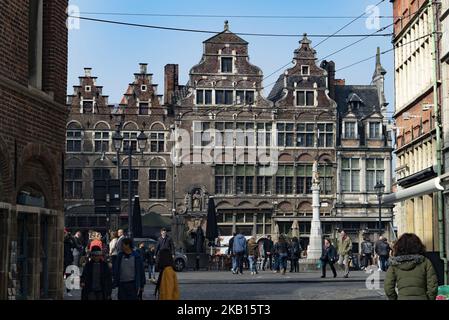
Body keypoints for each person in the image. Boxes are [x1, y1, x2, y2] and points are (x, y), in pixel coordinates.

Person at [384, 233, 438, 300]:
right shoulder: (425, 262)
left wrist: (395, 298)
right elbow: (432, 286)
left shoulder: (394, 264)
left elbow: (388, 288)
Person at [63, 228, 76, 296]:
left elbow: (75, 245)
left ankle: (68, 291)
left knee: (68, 277)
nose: (65, 235)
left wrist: (71, 237)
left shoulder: (69, 241)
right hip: (62, 261)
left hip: (69, 260)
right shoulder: (61, 241)